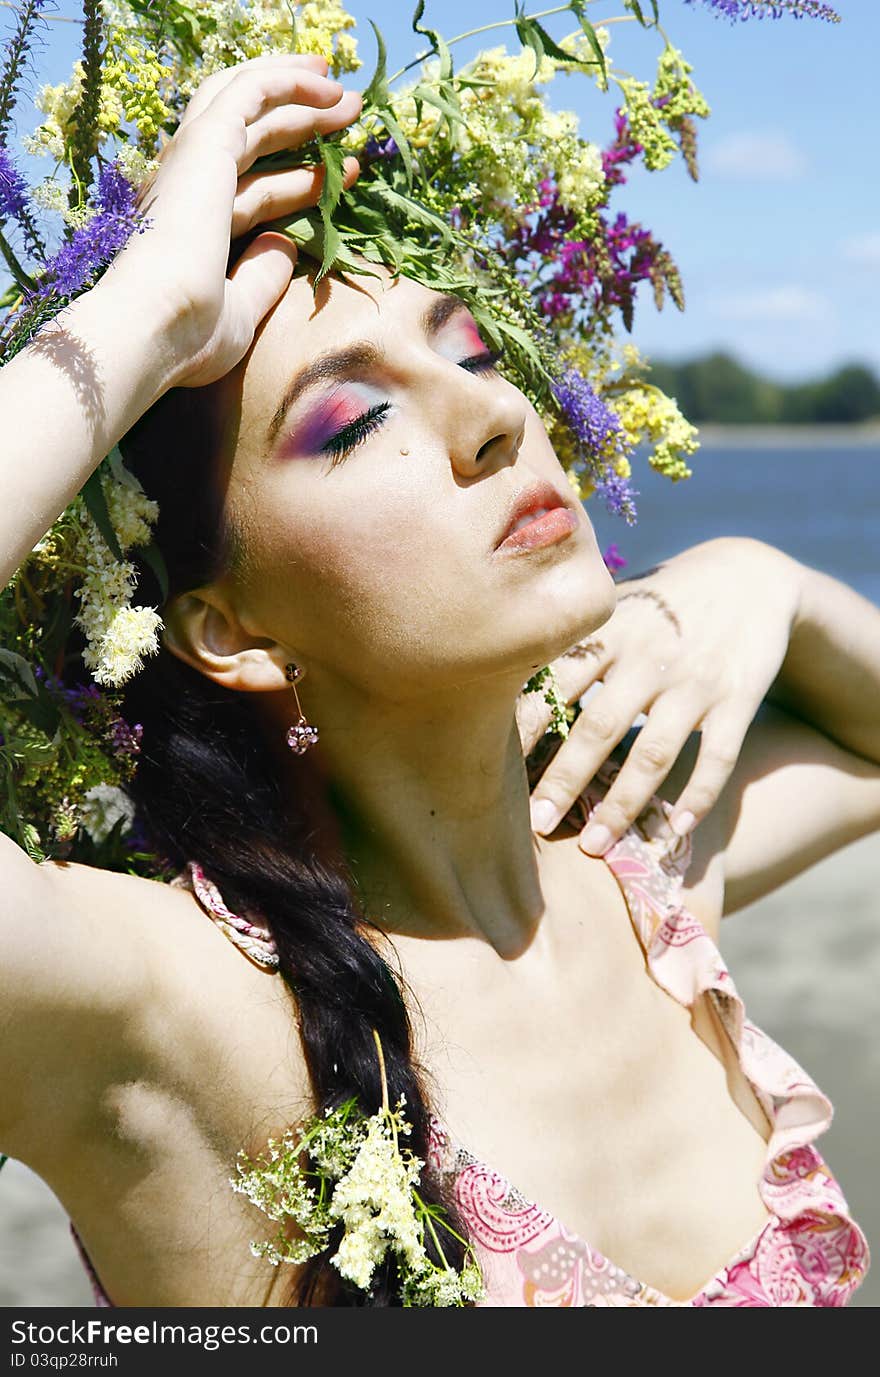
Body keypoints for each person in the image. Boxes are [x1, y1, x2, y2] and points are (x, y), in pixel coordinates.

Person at [0, 53, 875, 1308]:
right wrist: (151, 309)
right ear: (226, 630)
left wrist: (768, 583)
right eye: (352, 422)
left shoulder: (637, 860)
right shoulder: (173, 1012)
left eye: (469, 352)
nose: (493, 418)